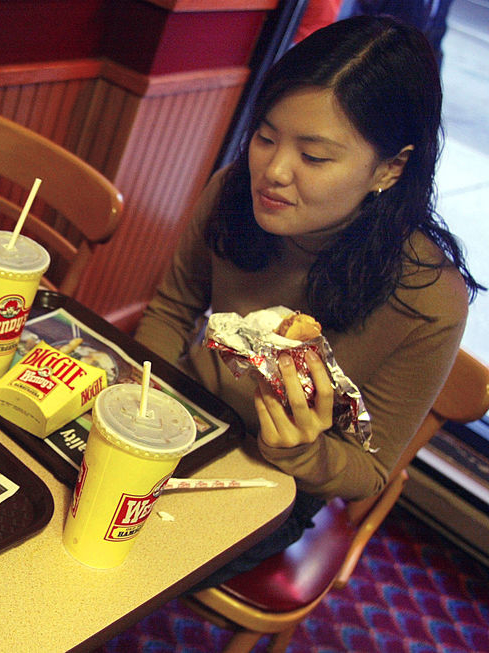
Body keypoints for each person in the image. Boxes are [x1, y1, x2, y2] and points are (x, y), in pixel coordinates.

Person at [134, 15, 481, 588]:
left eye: (314, 157)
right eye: (266, 137)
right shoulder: (233, 194)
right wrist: (146, 402)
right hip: (187, 410)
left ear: (390, 169)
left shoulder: (429, 301)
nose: (272, 171)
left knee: (130, 559)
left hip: (282, 482)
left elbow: (369, 472)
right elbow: (173, 311)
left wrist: (301, 453)